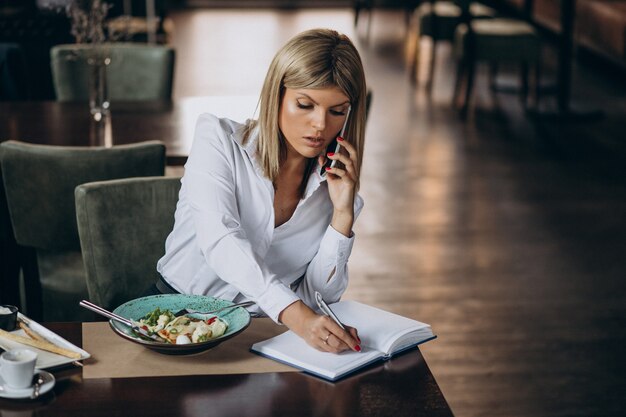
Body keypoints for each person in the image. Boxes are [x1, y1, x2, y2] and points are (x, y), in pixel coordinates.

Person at [151, 28, 367, 353]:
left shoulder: (335, 192)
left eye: (337, 111)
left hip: (265, 333)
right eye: (305, 104)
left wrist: (342, 215)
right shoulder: (218, 140)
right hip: (177, 321)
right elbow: (221, 239)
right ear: (276, 95)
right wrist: (297, 316)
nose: (321, 124)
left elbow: (317, 298)